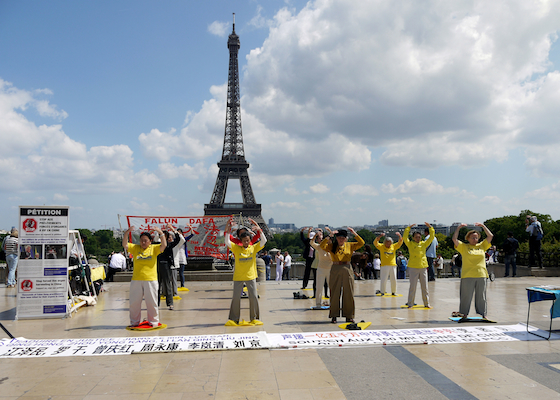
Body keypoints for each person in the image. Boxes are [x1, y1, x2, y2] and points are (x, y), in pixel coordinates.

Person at [224, 218, 267, 325]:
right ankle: (234, 318)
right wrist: (228, 230)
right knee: (236, 298)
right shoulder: (236, 248)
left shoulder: (253, 248)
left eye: (248, 241)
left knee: (253, 298)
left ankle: (254, 318)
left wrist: (259, 230)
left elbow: (264, 241)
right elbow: (227, 241)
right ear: (240, 241)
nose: (246, 243)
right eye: (244, 241)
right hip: (238, 276)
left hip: (251, 276)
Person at [123, 225, 167, 328]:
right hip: (136, 280)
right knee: (134, 302)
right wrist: (127, 232)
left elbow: (164, 245)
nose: (143, 243)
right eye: (141, 240)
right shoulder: (135, 248)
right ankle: (134, 321)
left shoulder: (154, 248)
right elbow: (125, 244)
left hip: (150, 280)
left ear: (150, 241)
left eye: (146, 241)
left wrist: (160, 232)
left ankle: (154, 321)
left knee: (151, 302)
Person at [320, 226, 365, 324]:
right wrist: (329, 236)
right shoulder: (332, 246)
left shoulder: (350, 245)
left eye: (343, 238)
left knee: (349, 292)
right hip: (335, 268)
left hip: (347, 268)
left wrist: (354, 233)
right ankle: (334, 315)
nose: (341, 239)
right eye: (339, 237)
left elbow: (362, 243)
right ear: (336, 238)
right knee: (335, 292)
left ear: (346, 239)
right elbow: (322, 246)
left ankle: (349, 316)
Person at [452, 222, 494, 320]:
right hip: (467, 275)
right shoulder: (464, 247)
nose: (475, 239)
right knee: (466, 296)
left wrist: (483, 226)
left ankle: (483, 314)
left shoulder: (482, 246)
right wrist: (458, 228)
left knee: (481, 296)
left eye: (476, 237)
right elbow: (454, 239)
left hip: (481, 274)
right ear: (468, 238)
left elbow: (490, 236)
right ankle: (464, 314)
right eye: (472, 237)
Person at [403, 223, 435, 308]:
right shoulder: (410, 244)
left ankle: (427, 303)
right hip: (413, 267)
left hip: (423, 267)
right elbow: (405, 238)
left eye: (419, 237)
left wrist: (430, 228)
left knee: (425, 287)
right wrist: (408, 228)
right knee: (412, 287)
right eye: (416, 237)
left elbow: (431, 237)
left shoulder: (424, 244)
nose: (418, 238)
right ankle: (410, 303)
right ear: (413, 238)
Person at [158, 225, 181, 310]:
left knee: (167, 285)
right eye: (161, 235)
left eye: (164, 235)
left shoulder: (169, 245)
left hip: (166, 266)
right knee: (157, 286)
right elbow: (149, 240)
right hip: (157, 266)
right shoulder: (157, 245)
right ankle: (156, 303)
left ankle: (170, 303)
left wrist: (172, 229)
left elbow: (178, 239)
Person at [309, 229, 332, 308]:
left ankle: (332, 303)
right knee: (319, 287)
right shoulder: (319, 247)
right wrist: (315, 235)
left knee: (331, 287)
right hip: (321, 269)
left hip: (330, 270)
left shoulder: (331, 248)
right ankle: (318, 304)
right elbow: (311, 243)